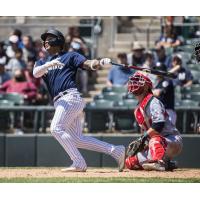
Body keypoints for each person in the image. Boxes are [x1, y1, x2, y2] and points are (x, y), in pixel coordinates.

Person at [33, 29, 125, 172]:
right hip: (60, 102)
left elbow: (88, 64)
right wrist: (48, 65)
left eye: (49, 38)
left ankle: (78, 162)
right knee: (76, 139)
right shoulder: (42, 61)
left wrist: (99, 62)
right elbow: (35, 73)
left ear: (58, 40)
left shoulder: (70, 56)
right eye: (44, 39)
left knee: (56, 128)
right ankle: (116, 151)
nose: (45, 42)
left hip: (70, 97)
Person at [125, 72, 182, 171]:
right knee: (130, 162)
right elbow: (144, 132)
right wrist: (142, 143)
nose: (134, 83)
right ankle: (167, 163)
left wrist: (143, 137)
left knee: (155, 140)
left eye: (138, 82)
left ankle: (159, 163)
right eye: (134, 81)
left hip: (171, 140)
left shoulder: (153, 102)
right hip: (154, 143)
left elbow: (158, 125)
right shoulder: (137, 109)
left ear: (147, 86)